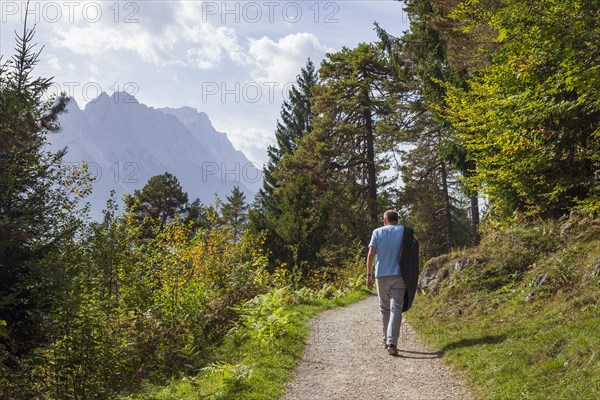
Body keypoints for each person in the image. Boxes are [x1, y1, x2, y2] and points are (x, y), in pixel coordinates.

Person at [366, 210, 406, 356]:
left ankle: (386, 341)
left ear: (385, 220)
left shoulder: (377, 232)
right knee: (396, 308)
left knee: (384, 308)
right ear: (397, 219)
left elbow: (371, 253)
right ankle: (392, 341)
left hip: (381, 275)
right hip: (399, 275)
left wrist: (369, 275)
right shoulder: (404, 231)